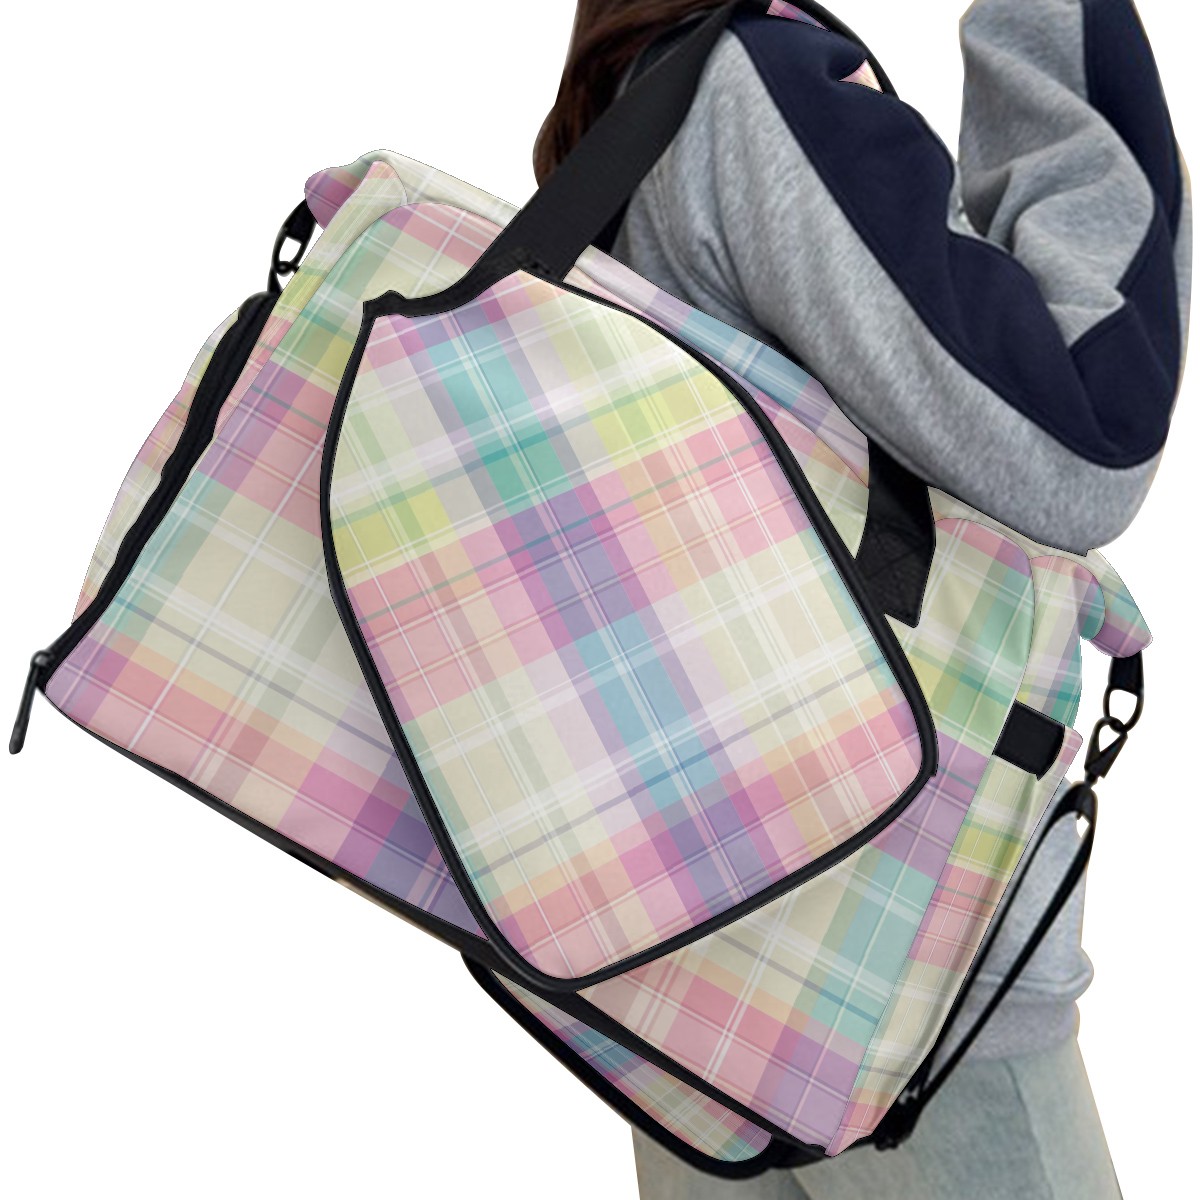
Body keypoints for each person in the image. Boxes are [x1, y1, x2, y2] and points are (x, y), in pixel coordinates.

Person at [532, 2, 1191, 1196]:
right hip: (898, 981)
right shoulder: (758, 89)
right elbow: (1085, 433)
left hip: (677, 970)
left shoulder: (624, 128)